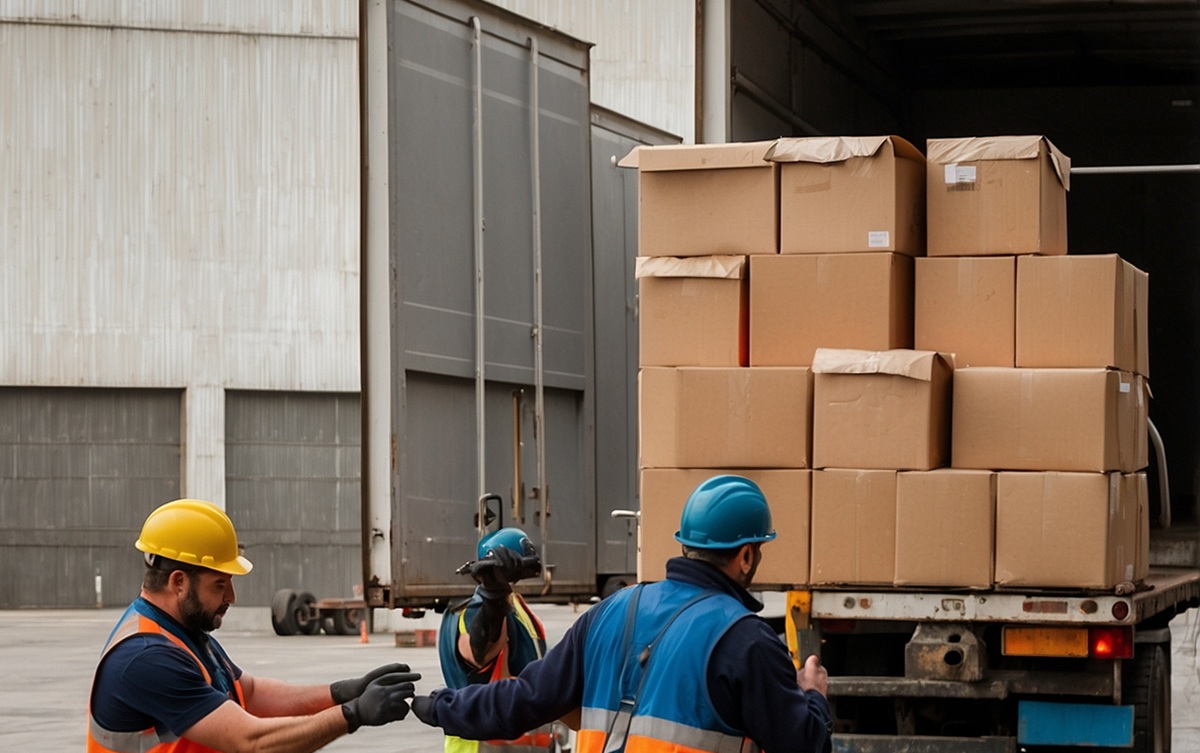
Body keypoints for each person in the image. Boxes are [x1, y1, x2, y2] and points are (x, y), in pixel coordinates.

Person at [410, 474, 833, 753]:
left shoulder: (610, 611)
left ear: (686, 544)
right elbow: (805, 746)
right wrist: (813, 694)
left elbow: (525, 698)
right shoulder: (748, 641)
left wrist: (435, 706)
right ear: (745, 555)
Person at [88, 498, 420, 753]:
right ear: (179, 582)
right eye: (220, 584)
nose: (231, 596)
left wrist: (340, 692)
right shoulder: (146, 657)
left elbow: (251, 693)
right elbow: (252, 742)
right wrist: (353, 713)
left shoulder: (182, 634)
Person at [437, 527, 566, 753]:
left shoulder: (517, 608)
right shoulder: (473, 611)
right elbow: (479, 652)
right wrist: (493, 598)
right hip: (482, 746)